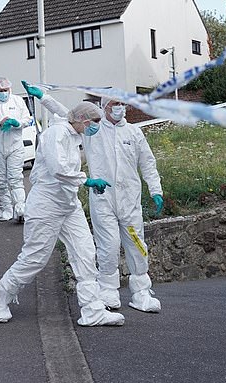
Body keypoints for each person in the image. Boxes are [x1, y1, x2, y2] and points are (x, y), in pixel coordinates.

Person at [0, 82, 124, 326]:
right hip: (46, 205)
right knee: (34, 259)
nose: (95, 128)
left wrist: (43, 97)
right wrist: (87, 180)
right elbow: (59, 169)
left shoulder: (74, 129)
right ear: (82, 121)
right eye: (93, 123)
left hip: (68, 204)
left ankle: (92, 310)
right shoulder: (56, 134)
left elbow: (64, 110)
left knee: (85, 253)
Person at [83, 96, 164, 313]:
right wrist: (44, 98)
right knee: (108, 246)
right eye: (114, 104)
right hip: (103, 199)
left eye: (122, 104)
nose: (120, 108)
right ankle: (108, 291)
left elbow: (147, 162)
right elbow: (68, 117)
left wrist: (155, 190)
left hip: (129, 200)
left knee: (137, 244)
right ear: (104, 107)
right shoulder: (93, 131)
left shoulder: (134, 132)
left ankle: (141, 292)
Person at [0, 77, 32, 222]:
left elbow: (27, 119)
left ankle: (20, 208)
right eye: (0, 91)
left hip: (15, 146)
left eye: (5, 90)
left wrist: (17, 123)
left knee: (15, 179)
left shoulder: (17, 101)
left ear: (10, 89)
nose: (3, 93)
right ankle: (5, 209)